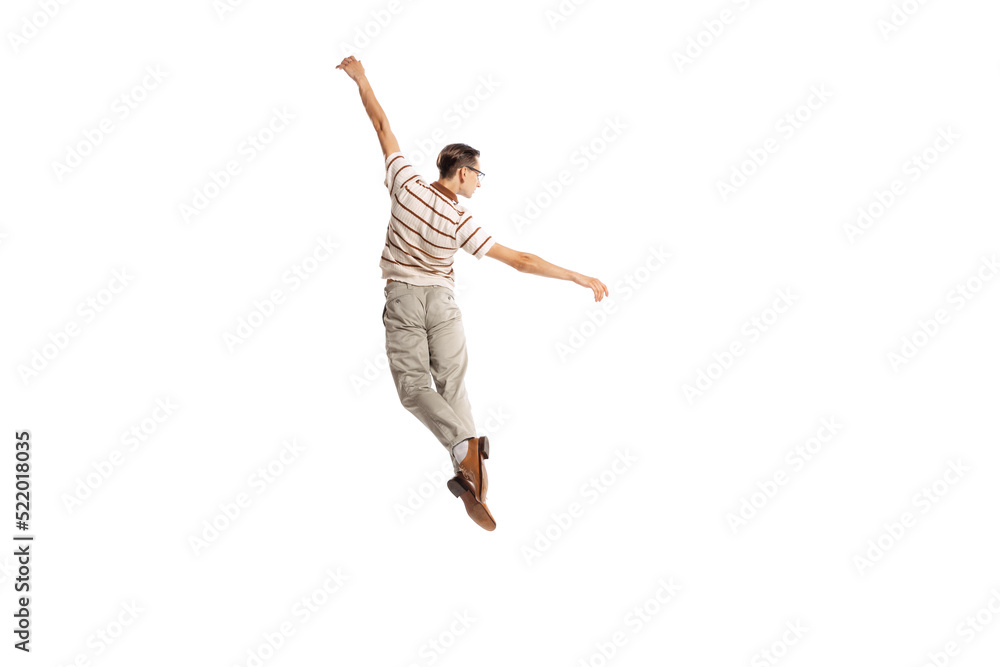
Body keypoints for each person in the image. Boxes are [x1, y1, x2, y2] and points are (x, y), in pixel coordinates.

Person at [337, 55, 609, 531]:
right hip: (441, 304)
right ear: (461, 172)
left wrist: (362, 78)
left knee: (415, 390)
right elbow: (521, 261)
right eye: (478, 174)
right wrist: (577, 276)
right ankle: (471, 464)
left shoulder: (405, 184)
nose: (480, 182)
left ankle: (467, 455)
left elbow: (380, 124)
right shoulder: (461, 221)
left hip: (403, 299)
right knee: (451, 386)